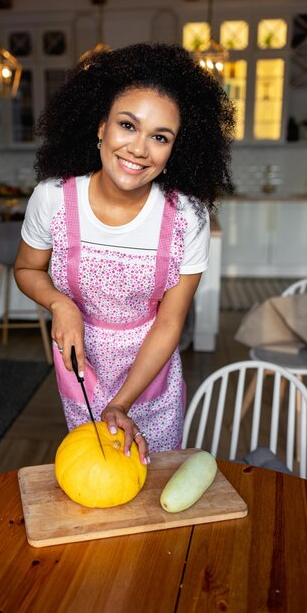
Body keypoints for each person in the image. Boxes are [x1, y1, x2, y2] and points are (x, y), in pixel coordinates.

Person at [14, 43, 235, 466]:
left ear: (175, 151)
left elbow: (171, 321)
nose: (139, 148)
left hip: (152, 378)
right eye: (128, 125)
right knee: (96, 479)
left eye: (160, 137)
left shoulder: (188, 217)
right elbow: (26, 268)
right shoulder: (53, 199)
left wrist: (123, 402)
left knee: (153, 489)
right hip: (83, 372)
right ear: (101, 126)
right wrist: (60, 303)